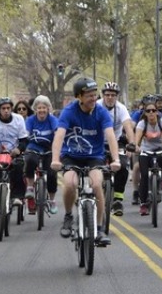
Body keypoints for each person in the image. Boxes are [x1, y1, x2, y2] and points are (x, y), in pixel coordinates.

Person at [51, 78, 121, 246]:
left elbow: (110, 135)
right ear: (79, 97)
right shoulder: (69, 112)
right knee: (69, 183)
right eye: (89, 95)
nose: (93, 99)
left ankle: (99, 228)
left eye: (94, 95)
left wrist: (116, 159)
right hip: (71, 155)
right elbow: (59, 136)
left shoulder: (101, 112)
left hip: (94, 156)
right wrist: (55, 159)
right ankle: (68, 216)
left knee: (97, 184)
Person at [97, 81, 134, 215]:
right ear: (103, 95)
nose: (110, 97)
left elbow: (128, 126)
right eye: (107, 95)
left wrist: (132, 144)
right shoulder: (96, 106)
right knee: (93, 166)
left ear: (116, 96)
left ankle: (118, 199)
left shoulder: (121, 108)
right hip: (98, 142)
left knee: (123, 166)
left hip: (116, 142)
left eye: (113, 95)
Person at [131, 97, 162, 216]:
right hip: (146, 151)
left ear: (157, 112)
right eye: (148, 111)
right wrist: (136, 146)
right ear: (145, 113)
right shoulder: (142, 124)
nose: (151, 113)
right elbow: (137, 139)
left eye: (153, 110)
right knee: (145, 176)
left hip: (161, 150)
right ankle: (143, 204)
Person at [23, 95, 59, 214]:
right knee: (30, 160)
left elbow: (57, 132)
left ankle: (52, 200)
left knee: (52, 172)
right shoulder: (31, 120)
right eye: (39, 108)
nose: (42, 110)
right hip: (34, 147)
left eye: (44, 108)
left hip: (49, 148)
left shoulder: (52, 119)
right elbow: (26, 133)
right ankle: (29, 187)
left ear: (48, 108)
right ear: (35, 109)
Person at [0, 97, 29, 207]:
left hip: (14, 153)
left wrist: (18, 149)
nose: (6, 111)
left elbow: (24, 140)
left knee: (19, 166)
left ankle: (16, 196)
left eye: (8, 108)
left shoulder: (18, 119)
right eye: (3, 108)